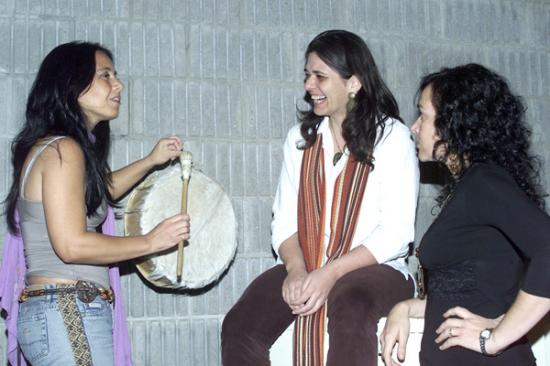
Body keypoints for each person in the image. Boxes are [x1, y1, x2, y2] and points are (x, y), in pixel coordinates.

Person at [222, 30, 419, 366]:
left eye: (320, 77)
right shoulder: (300, 140)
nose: (309, 85)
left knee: (351, 303)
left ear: (354, 83)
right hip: (308, 261)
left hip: (378, 267)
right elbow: (283, 222)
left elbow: (396, 233)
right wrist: (297, 271)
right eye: (307, 75)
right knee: (240, 326)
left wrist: (329, 274)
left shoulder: (393, 138)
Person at [0, 41, 190, 366]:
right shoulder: (64, 151)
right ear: (72, 85)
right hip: (67, 308)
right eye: (105, 75)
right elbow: (72, 245)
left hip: (61, 310)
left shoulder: (58, 148)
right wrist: (150, 242)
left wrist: (150, 161)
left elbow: (97, 195)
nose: (119, 85)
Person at [380, 63, 550, 366]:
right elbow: (463, 291)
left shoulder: (484, 182)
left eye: (424, 115)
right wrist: (404, 308)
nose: (414, 127)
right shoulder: (471, 188)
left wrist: (494, 339)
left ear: (452, 124)